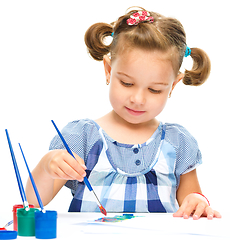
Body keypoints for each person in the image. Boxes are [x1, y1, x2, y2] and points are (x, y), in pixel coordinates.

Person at [26, 7, 221, 220]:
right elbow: (34, 202)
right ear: (109, 70)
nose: (138, 99)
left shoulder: (178, 142)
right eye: (127, 83)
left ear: (172, 86)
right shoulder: (81, 137)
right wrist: (47, 166)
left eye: (154, 89)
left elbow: (192, 201)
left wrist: (198, 202)